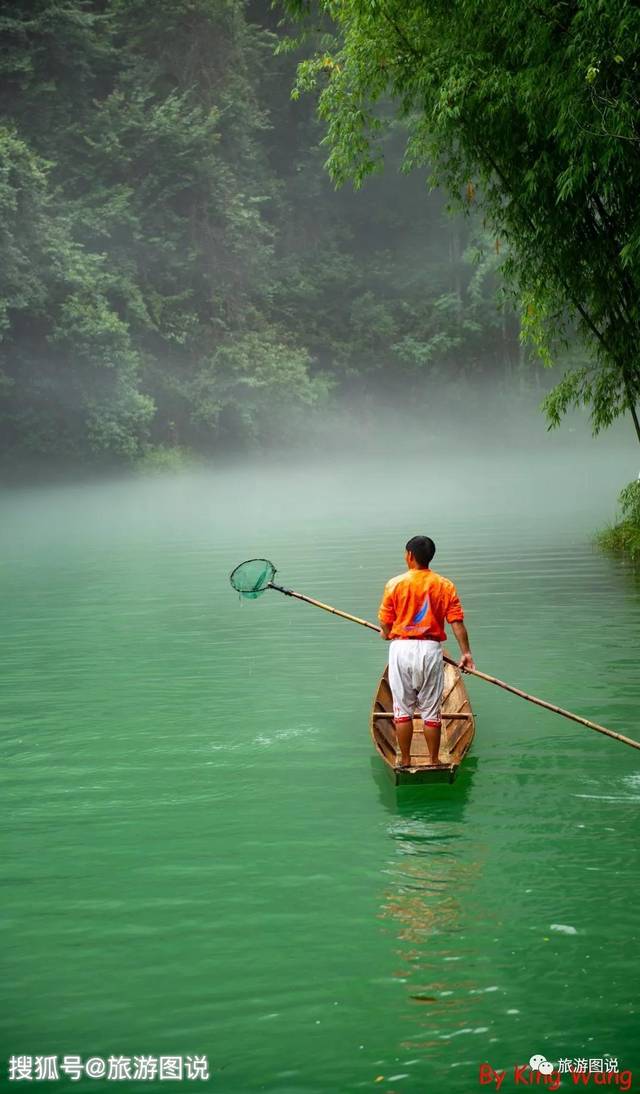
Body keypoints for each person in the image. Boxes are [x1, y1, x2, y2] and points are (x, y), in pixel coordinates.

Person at [378, 535, 475, 770]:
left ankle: (405, 761)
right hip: (431, 650)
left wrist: (386, 633)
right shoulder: (445, 585)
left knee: (402, 710)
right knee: (431, 710)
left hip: (401, 648)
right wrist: (466, 653)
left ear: (409, 555)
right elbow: (456, 622)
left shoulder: (395, 584)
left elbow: (385, 622)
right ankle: (434, 761)